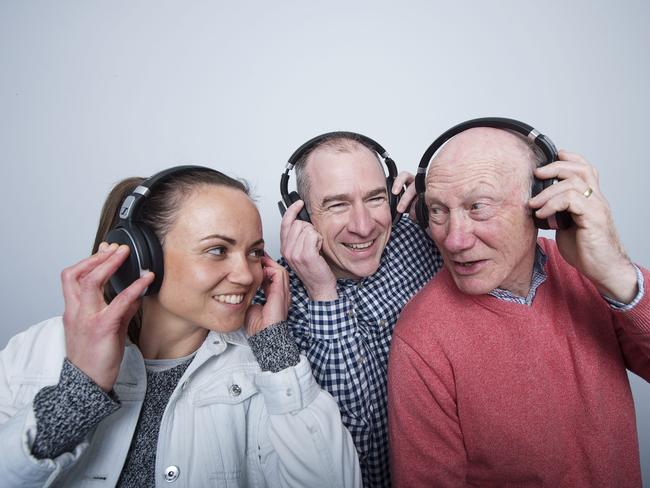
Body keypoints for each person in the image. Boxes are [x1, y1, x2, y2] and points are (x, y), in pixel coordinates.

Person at [0, 166, 361, 487]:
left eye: (254, 252)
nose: (247, 274)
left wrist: (276, 351)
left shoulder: (263, 366)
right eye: (218, 250)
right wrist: (80, 389)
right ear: (139, 257)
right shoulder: (35, 350)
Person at [388, 121, 650, 487]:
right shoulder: (421, 335)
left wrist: (614, 272)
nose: (454, 239)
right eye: (437, 211)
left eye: (477, 207)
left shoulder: (594, 276)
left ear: (541, 205)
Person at [257, 132, 443, 487]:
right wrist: (322, 292)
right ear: (301, 213)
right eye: (337, 204)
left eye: (375, 198)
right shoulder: (266, 303)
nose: (363, 225)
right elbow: (336, 446)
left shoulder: (418, 235)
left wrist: (442, 207)